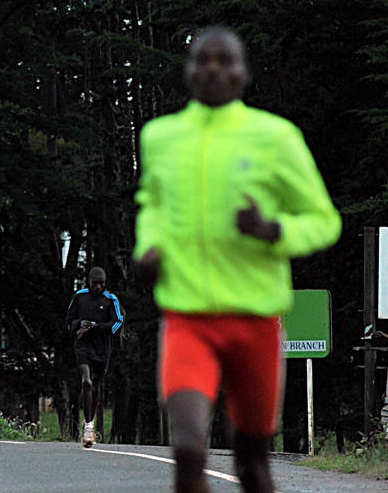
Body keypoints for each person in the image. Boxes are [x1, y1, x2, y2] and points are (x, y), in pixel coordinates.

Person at [133, 27, 341, 493]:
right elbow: (152, 205)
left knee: (252, 467)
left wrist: (273, 230)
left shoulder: (275, 137)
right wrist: (147, 249)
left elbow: (324, 220)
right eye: (201, 60)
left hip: (255, 318)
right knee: (187, 454)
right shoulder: (160, 137)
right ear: (187, 72)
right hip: (188, 316)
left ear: (243, 74)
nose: (212, 69)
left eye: (224, 61)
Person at [65, 266, 124, 448]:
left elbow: (118, 322)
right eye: (94, 283)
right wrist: (79, 324)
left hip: (101, 348)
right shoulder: (79, 297)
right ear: (88, 282)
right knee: (87, 382)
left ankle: (89, 419)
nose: (98, 287)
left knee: (97, 385)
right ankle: (89, 427)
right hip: (83, 345)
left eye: (101, 284)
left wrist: (98, 327)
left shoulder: (110, 300)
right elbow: (68, 321)